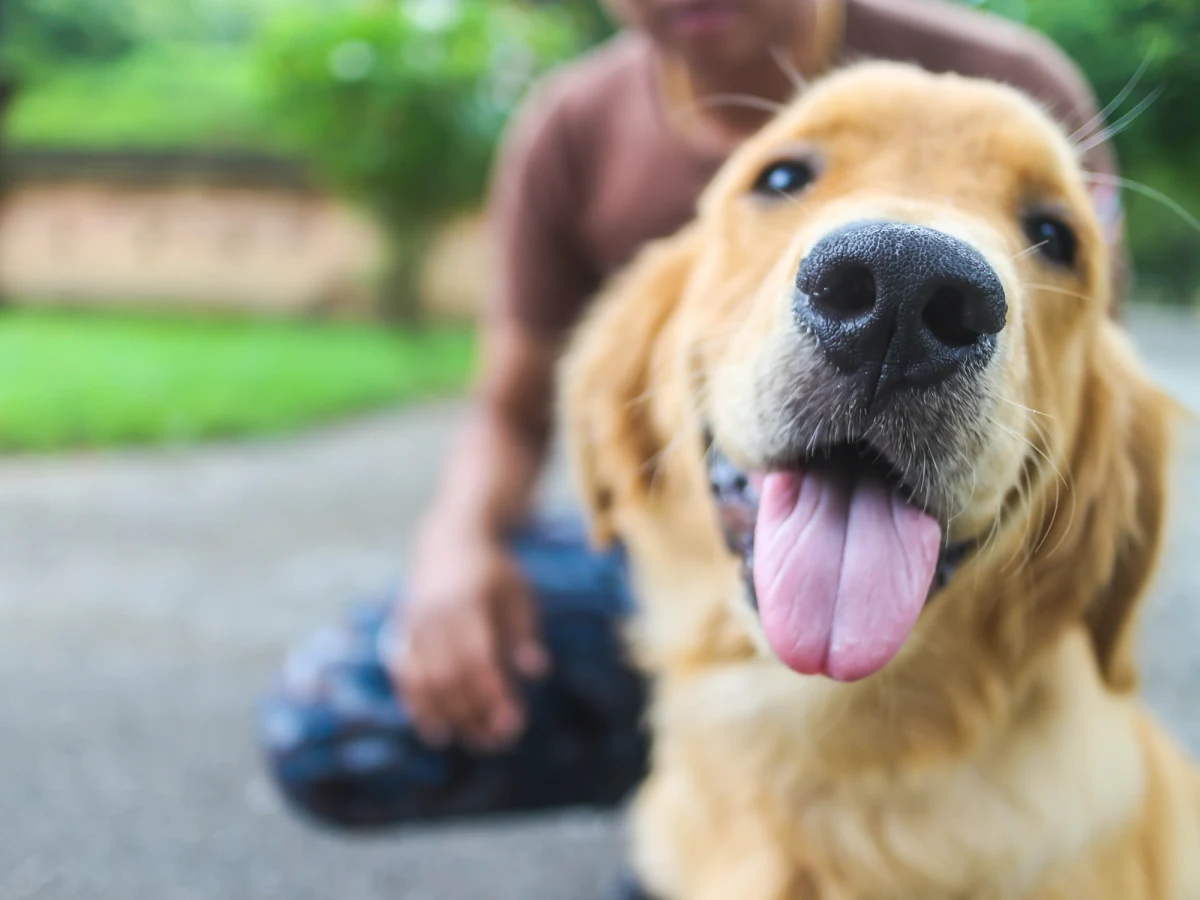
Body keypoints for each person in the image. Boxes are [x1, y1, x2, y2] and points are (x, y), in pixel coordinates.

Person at [260, 0, 1127, 835]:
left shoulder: (1016, 78)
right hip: (666, 552)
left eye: (1047, 233)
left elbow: (1093, 392)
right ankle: (706, 806)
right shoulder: (571, 125)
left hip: (975, 587)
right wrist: (454, 548)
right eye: (783, 180)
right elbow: (510, 406)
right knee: (340, 727)